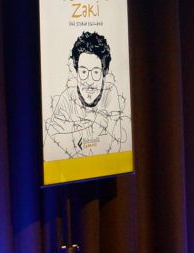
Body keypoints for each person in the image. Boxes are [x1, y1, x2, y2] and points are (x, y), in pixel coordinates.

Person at [45, 31, 130, 159]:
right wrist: (94, 122)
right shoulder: (67, 97)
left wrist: (73, 130)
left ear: (104, 72)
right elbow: (51, 145)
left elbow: (115, 145)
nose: (89, 81)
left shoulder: (110, 93)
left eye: (95, 72)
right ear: (76, 71)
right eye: (84, 72)